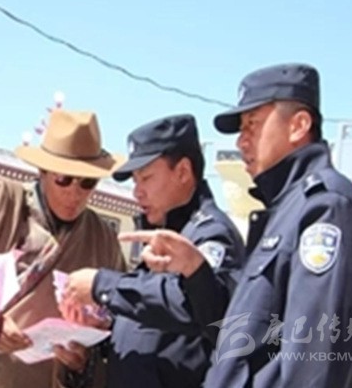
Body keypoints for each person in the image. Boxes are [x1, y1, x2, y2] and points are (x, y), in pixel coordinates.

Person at [139, 63, 352, 388]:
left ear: (298, 126)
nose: (241, 142)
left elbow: (314, 364)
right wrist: (196, 271)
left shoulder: (326, 207)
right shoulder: (285, 210)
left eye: (253, 124)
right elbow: (246, 341)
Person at [0, 109, 128, 388]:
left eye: (87, 182)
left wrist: (83, 361)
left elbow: (119, 328)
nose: (74, 193)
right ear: (43, 172)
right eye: (64, 179)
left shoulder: (104, 240)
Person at [61, 114, 245, 388]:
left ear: (182, 172)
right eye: (135, 181)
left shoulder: (210, 235)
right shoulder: (166, 233)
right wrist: (103, 332)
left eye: (146, 178)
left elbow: (197, 306)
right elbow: (156, 333)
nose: (137, 192)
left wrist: (103, 286)